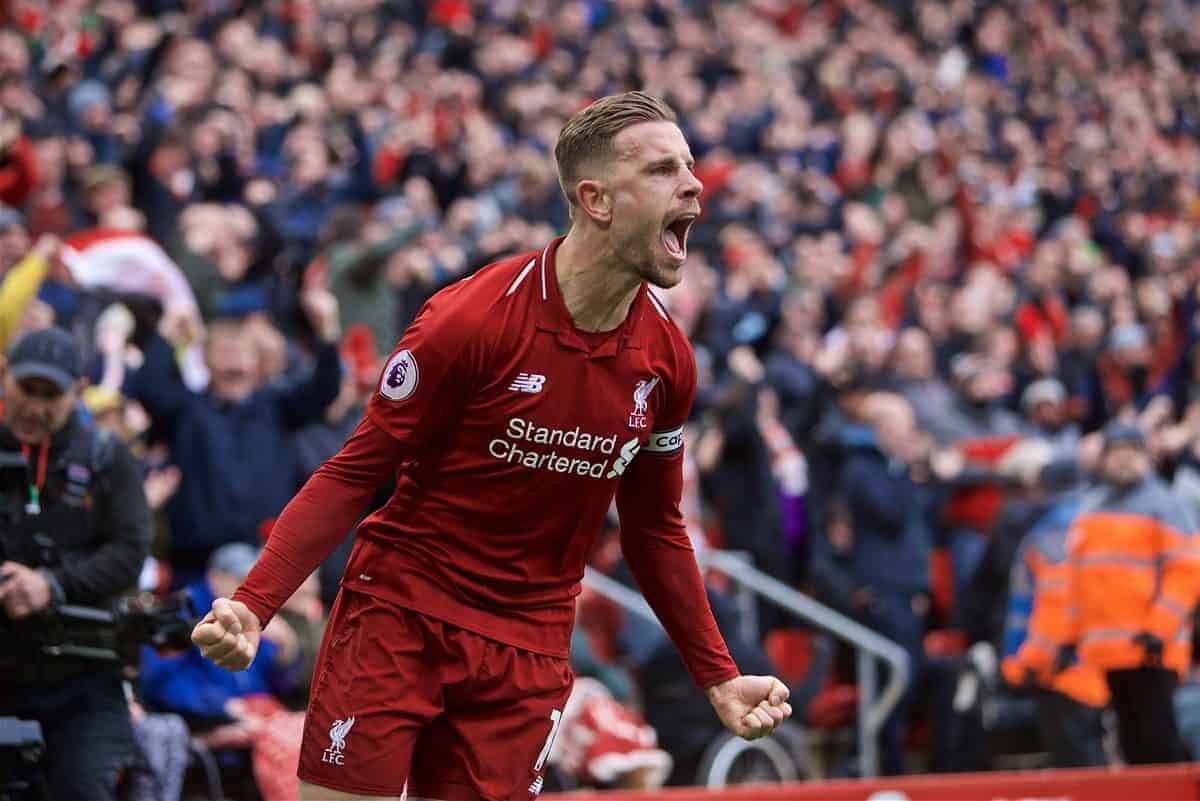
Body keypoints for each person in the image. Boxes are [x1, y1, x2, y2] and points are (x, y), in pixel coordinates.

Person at [191, 92, 792, 801]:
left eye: (689, 166)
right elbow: (356, 472)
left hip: (529, 645)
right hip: (403, 609)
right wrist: (256, 602)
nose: (694, 185)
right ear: (596, 200)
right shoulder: (471, 318)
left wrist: (717, 674)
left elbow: (655, 528)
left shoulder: (666, 363)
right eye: (664, 170)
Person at [0, 327, 152, 800]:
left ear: (79, 391)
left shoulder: (109, 459)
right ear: (5, 378)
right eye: (27, 390)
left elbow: (130, 551)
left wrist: (53, 584)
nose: (36, 408)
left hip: (83, 672)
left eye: (52, 395)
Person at [1068, 422, 1199, 764]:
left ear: (1147, 458)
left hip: (1151, 650)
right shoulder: (1090, 509)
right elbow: (1075, 579)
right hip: (1104, 654)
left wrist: (1160, 628)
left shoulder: (1167, 505)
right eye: (1117, 454)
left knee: (1158, 744)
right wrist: (1072, 634)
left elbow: (1185, 572)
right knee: (1127, 750)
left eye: (1132, 453)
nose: (1125, 461)